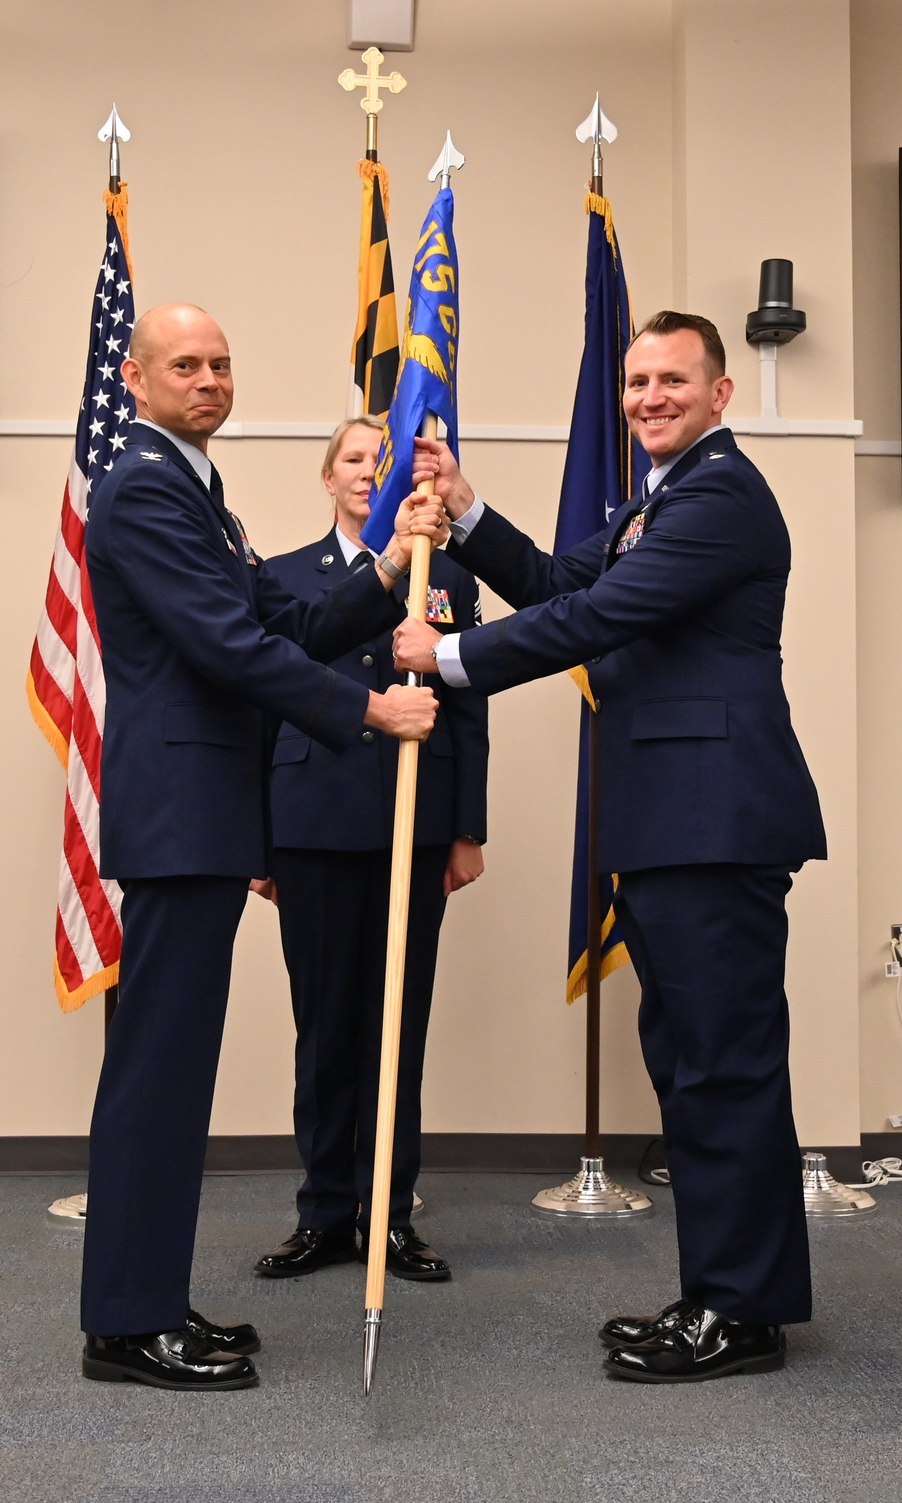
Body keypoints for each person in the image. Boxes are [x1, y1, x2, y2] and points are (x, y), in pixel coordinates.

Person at [393, 311, 826, 1384]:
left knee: (721, 1066)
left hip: (712, 819)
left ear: (720, 394)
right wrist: (466, 510)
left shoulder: (722, 496)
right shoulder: (658, 499)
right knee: (689, 1065)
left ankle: (740, 1311)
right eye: (635, 382)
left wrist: (445, 656)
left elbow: (600, 619)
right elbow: (553, 584)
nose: (646, 399)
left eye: (670, 381)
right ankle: (721, 1294)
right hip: (669, 820)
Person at [80, 304, 445, 1391]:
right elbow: (228, 645)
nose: (207, 379)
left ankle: (147, 1300)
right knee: (158, 1074)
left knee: (173, 1070)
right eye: (183, 364)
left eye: (221, 364)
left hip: (199, 811)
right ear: (136, 381)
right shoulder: (143, 484)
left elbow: (276, 624)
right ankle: (129, 1324)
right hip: (180, 813)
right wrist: (370, 712)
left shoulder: (193, 485)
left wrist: (380, 578)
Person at [252, 416, 489, 1284]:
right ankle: (323, 1213)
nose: (369, 475)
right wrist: (258, 838)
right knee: (323, 1027)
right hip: (309, 821)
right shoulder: (283, 578)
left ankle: (388, 1213)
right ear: (328, 478)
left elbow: (470, 706)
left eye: (383, 463)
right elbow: (260, 705)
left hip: (411, 822)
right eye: (354, 460)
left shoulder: (448, 578)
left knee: (398, 1025)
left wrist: (466, 828)